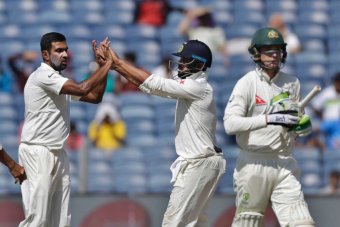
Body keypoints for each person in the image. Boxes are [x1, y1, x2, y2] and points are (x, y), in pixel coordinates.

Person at [103, 39, 226, 226]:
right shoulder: (194, 87)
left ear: (199, 64)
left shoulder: (198, 87)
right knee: (196, 223)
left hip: (198, 163)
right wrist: (118, 67)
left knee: (173, 223)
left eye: (186, 60)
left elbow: (155, 84)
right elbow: (149, 87)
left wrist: (119, 63)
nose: (181, 64)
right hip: (204, 163)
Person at [18, 32, 113, 227]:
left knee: (61, 220)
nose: (64, 55)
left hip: (57, 152)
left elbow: (95, 97)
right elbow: (83, 88)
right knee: (38, 219)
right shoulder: (43, 76)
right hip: (37, 151)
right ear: (45, 55)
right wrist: (108, 65)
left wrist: (104, 67)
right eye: (59, 50)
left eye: (66, 50)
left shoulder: (59, 80)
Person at [223, 27, 315, 226]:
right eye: (268, 50)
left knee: (302, 223)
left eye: (278, 50)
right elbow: (230, 124)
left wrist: (302, 127)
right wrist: (268, 119)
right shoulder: (246, 83)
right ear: (256, 53)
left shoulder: (292, 83)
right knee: (249, 221)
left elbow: (296, 119)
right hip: (253, 162)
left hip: (284, 161)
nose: (274, 55)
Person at [311, 72, 340, 150]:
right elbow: (315, 107)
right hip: (327, 123)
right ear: (336, 82)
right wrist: (321, 116)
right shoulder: (327, 93)